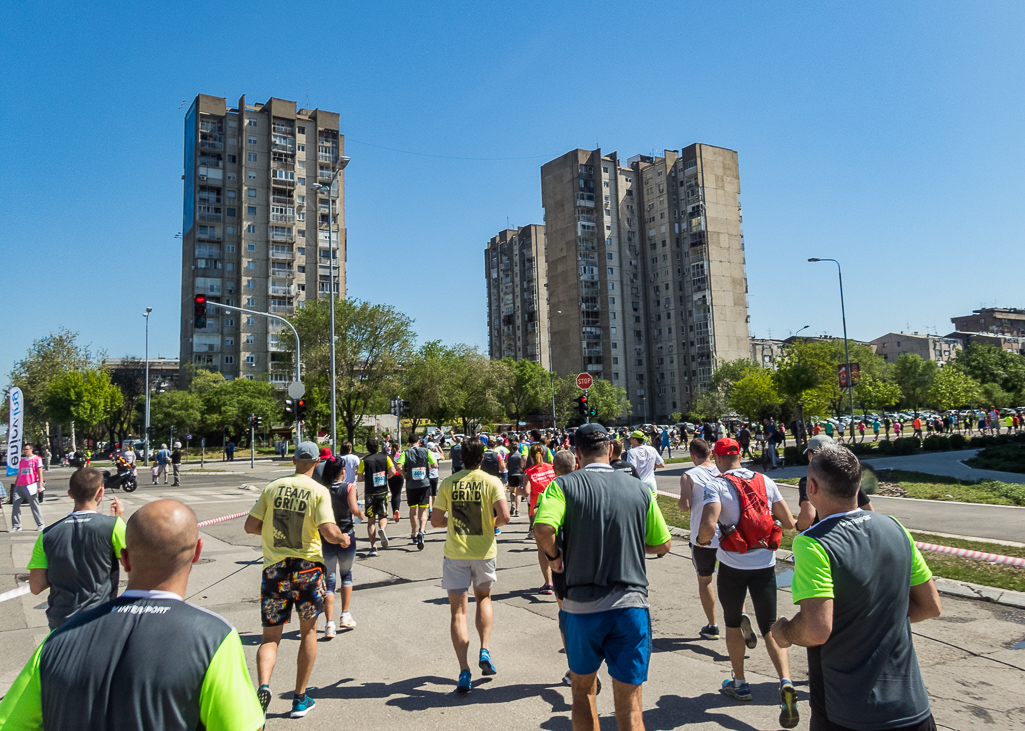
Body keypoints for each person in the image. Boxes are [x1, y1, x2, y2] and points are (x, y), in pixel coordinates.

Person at [0, 500, 264, 731]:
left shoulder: (56, 642)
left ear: (124, 559)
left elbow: (10, 723)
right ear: (197, 552)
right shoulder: (214, 638)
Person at [771, 444, 942, 731]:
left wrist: (784, 632)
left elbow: (816, 629)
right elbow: (930, 606)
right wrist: (874, 620)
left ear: (811, 488)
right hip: (913, 708)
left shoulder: (814, 543)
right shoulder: (895, 528)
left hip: (848, 712)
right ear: (858, 485)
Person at [534, 423, 672, 731]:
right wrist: (632, 542)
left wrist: (555, 558)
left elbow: (543, 529)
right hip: (630, 604)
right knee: (632, 708)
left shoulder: (563, 486)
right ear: (610, 450)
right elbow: (663, 543)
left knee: (582, 694)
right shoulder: (640, 489)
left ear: (578, 453)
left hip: (581, 607)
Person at [695, 438, 800, 729]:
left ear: (716, 458)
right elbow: (788, 521)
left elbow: (708, 524)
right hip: (765, 564)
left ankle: (740, 682)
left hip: (733, 564)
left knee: (731, 623)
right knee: (770, 626)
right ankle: (786, 682)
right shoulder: (765, 480)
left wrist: (704, 541)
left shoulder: (716, 483)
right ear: (740, 455)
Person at [244, 441, 351, 719]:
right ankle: (299, 698)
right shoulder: (318, 491)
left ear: (294, 460)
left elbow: (250, 526)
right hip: (307, 571)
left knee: (270, 637)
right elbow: (328, 531)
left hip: (275, 570)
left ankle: (263, 687)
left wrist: (273, 536)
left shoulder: (272, 487)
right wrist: (342, 538)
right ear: (317, 462)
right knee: (308, 633)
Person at [430, 437, 510, 692]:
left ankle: (464, 671)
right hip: (484, 551)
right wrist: (490, 524)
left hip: (456, 552)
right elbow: (505, 516)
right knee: (484, 599)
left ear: (460, 457)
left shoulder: (449, 483)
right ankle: (484, 649)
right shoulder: (492, 482)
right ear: (482, 458)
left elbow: (435, 521)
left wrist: (451, 524)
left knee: (458, 612)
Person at [27, 466, 126, 629]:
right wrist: (119, 520)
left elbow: (36, 586)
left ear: (70, 494)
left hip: (60, 623)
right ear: (100, 492)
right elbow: (135, 567)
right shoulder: (114, 526)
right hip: (98, 620)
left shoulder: (47, 535)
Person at [677, 438, 723, 640]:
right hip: (726, 533)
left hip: (702, 536)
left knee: (705, 580)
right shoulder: (722, 472)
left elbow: (685, 505)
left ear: (693, 455)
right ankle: (740, 617)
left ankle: (713, 625)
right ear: (710, 453)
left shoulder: (689, 475)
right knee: (733, 578)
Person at [319, 456, 365, 638]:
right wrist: (361, 514)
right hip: (346, 535)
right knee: (347, 575)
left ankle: (329, 623)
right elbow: (354, 509)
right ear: (343, 471)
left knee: (328, 580)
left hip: (327, 537)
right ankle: (344, 614)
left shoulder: (322, 489)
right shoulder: (349, 487)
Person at [797, 435, 874, 531]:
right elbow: (869, 510)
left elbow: (808, 516)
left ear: (811, 454)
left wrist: (799, 526)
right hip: (853, 531)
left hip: (823, 535)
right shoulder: (848, 476)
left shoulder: (809, 481)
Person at [396, 432, 438, 550]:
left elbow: (398, 467)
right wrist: (427, 466)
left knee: (413, 510)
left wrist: (405, 474)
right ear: (419, 442)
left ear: (409, 443)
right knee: (424, 510)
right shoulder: (426, 451)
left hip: (411, 486)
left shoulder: (405, 453)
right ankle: (422, 531)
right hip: (424, 484)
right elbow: (435, 464)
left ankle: (414, 534)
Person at [358, 438, 395, 556]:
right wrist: (386, 477)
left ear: (367, 448)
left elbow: (359, 478)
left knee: (371, 520)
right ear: (378, 447)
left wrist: (367, 478)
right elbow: (393, 471)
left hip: (370, 493)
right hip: (382, 491)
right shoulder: (386, 458)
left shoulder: (364, 461)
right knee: (383, 515)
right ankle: (382, 529)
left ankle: (373, 547)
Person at [11, 443, 45, 532]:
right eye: (24, 449)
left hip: (31, 485)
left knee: (34, 505)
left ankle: (40, 524)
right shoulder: (22, 461)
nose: (25, 451)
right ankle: (16, 525)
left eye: (26, 449)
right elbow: (19, 473)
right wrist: (15, 483)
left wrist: (40, 485)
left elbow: (40, 473)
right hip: (19, 485)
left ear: (31, 449)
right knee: (15, 505)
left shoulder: (37, 459)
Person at [626, 430, 664, 494]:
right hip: (651, 484)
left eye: (631, 439)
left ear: (635, 440)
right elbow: (662, 464)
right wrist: (650, 464)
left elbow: (632, 467)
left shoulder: (632, 452)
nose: (630, 441)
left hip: (639, 484)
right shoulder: (652, 449)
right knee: (652, 503)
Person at [506, 436, 525, 517]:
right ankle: (517, 510)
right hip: (519, 475)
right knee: (518, 494)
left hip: (511, 475)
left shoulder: (508, 455)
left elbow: (506, 464)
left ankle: (512, 504)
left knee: (512, 492)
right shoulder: (521, 455)